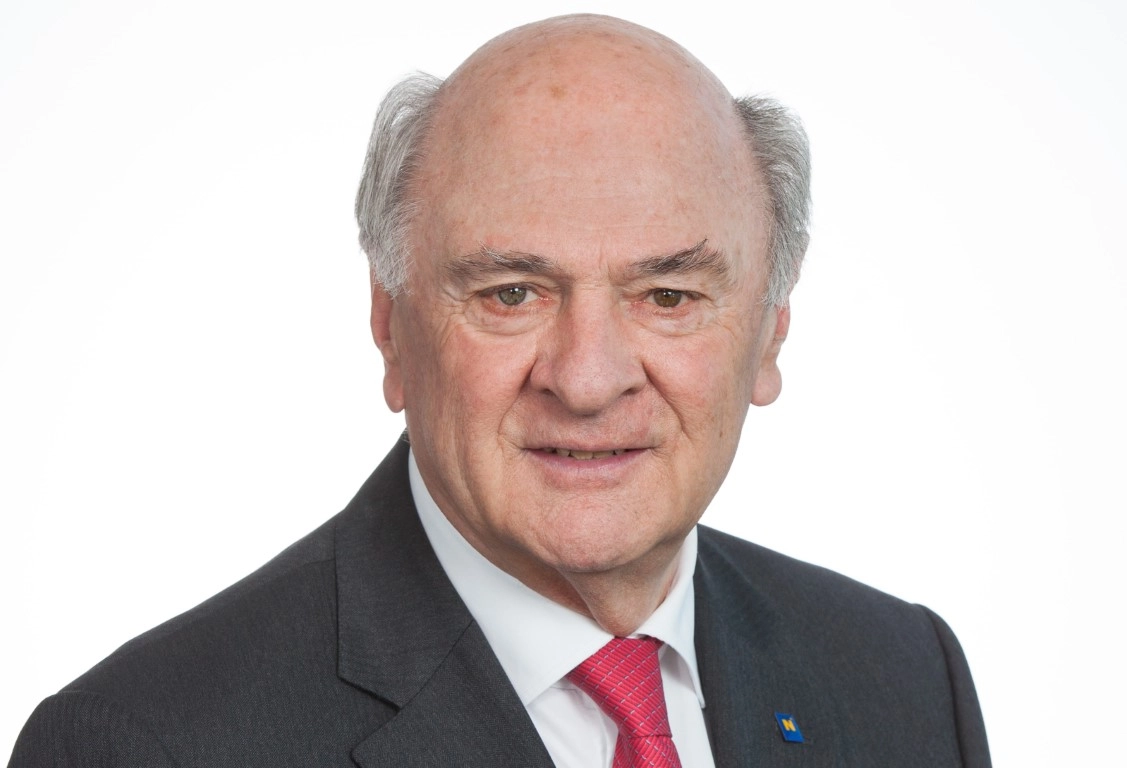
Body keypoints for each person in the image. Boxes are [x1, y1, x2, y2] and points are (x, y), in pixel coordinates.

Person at [8, 14, 990, 767]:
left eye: (668, 295)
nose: (588, 379)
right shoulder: (145, 745)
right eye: (511, 293)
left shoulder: (904, 680)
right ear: (390, 326)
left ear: (770, 327)